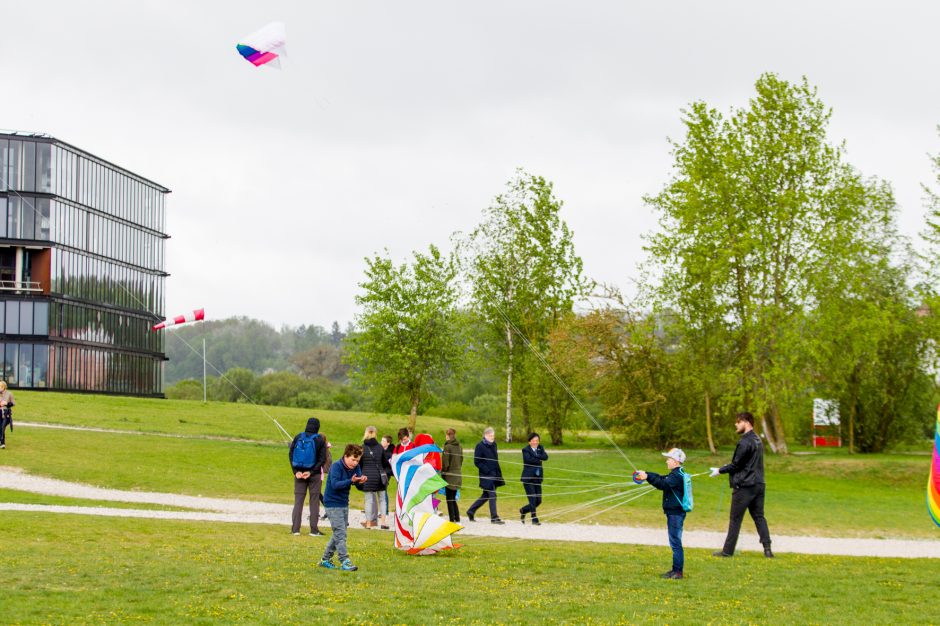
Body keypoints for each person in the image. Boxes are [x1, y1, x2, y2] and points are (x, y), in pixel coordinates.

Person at [710, 411, 774, 558]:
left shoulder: (745, 441)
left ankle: (727, 551)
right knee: (759, 516)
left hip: (745, 486)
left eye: (738, 422)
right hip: (759, 484)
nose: (736, 424)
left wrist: (719, 470)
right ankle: (767, 549)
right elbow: (745, 463)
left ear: (746, 422)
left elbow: (736, 465)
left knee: (735, 519)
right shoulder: (758, 440)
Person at [636, 448, 689, 580]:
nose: (667, 461)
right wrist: (647, 473)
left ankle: (678, 572)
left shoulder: (676, 476)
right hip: (674, 513)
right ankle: (675, 570)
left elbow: (662, 484)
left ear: (676, 461)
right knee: (674, 542)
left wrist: (647, 477)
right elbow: (660, 477)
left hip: (676, 513)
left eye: (669, 459)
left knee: (675, 542)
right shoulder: (676, 474)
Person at [320, 444, 367, 571]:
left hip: (344, 503)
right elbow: (335, 485)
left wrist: (361, 482)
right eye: (353, 459)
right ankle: (344, 560)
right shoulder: (336, 466)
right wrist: (351, 481)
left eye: (357, 460)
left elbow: (357, 485)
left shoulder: (356, 467)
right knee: (341, 534)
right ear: (346, 456)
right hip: (332, 503)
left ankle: (325, 559)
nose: (355, 463)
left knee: (339, 532)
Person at [288, 417, 327, 536]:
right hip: (314, 475)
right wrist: (311, 472)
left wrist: (296, 472)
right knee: (314, 501)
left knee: (298, 501)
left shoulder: (298, 437)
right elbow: (322, 459)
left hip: (299, 474)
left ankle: (295, 529)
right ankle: (314, 530)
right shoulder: (320, 440)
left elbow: (291, 454)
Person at [466, 427, 505, 524]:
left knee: (485, 495)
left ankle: (471, 511)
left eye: (493, 436)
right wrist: (487, 471)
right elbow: (477, 461)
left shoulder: (494, 445)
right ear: (485, 436)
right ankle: (494, 517)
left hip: (495, 474)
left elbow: (495, 460)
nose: (492, 437)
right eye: (490, 436)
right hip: (486, 475)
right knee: (492, 494)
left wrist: (497, 472)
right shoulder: (480, 446)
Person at [360, 426, 390, 529]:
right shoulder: (380, 447)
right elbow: (385, 462)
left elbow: (360, 464)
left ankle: (368, 523)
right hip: (379, 478)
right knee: (382, 500)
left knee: (369, 501)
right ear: (375, 434)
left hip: (367, 477)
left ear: (366, 433)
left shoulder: (362, 447)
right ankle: (383, 523)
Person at [519, 432, 548, 525]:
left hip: (538, 478)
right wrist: (539, 459)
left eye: (537, 440)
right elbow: (528, 460)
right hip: (528, 478)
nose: (536, 442)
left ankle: (523, 510)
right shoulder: (525, 450)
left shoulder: (540, 448)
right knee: (532, 499)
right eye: (534, 441)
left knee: (538, 501)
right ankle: (534, 519)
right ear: (529, 442)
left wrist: (536, 456)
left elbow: (546, 457)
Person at [441, 428, 463, 523]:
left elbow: (446, 463)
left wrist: (443, 473)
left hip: (449, 475)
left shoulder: (447, 447)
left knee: (449, 498)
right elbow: (461, 460)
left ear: (448, 435)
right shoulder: (459, 446)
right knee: (453, 498)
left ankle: (451, 520)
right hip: (458, 474)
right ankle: (457, 518)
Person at [379, 435, 394, 529]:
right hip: (380, 472)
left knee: (384, 491)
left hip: (386, 473)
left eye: (383, 440)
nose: (381, 442)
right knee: (380, 491)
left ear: (388, 443)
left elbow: (389, 464)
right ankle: (381, 510)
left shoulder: (390, 453)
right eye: (381, 440)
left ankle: (386, 511)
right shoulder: (381, 450)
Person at [0, 381, 14, 450]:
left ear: (3, 387)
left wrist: (6, 403)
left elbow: (13, 403)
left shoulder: (9, 394)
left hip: (6, 414)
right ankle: (2, 443)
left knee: (2, 427)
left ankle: (2, 443)